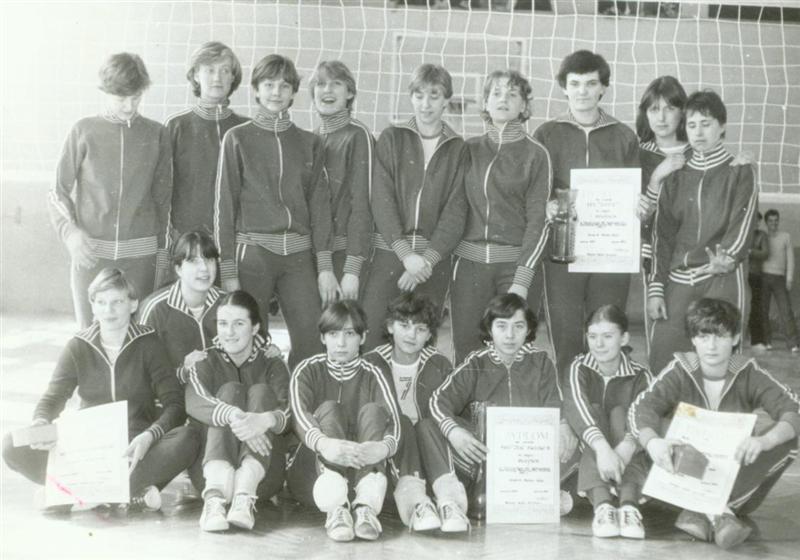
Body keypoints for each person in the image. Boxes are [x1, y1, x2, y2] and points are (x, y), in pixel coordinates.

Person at [2, 268, 197, 512]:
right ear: (92, 306)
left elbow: (175, 404)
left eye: (117, 302)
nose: (109, 310)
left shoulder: (149, 343)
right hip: (87, 449)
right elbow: (53, 398)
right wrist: (41, 424)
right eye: (101, 302)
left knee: (188, 438)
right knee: (11, 445)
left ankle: (72, 493)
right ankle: (127, 493)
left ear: (133, 304)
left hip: (134, 449)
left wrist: (149, 436)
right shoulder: (78, 346)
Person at [629, 298, 799, 549]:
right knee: (656, 429)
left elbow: (793, 408)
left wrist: (764, 441)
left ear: (735, 338)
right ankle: (720, 514)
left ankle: (703, 511)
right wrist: (653, 443)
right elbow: (641, 408)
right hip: (685, 478)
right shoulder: (681, 370)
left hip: (735, 480)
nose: (711, 346)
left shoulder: (747, 372)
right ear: (693, 339)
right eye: (704, 336)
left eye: (720, 336)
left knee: (789, 435)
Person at [417, 294, 579, 530]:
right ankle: (452, 501)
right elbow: (437, 401)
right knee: (427, 427)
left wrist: (564, 424)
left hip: (529, 462)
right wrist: (455, 432)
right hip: (483, 461)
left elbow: (555, 405)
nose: (510, 335)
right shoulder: (476, 362)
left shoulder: (541, 362)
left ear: (529, 329)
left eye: (518, 326)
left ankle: (539, 496)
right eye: (502, 326)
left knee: (578, 430)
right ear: (490, 329)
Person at [214, 54, 334, 369]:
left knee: (311, 340)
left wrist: (324, 266)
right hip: (253, 254)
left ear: (293, 92)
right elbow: (224, 207)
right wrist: (229, 271)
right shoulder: (237, 138)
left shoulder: (309, 142)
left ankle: (299, 398)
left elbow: (320, 207)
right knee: (252, 342)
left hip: (298, 257)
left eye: (284, 86)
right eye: (268, 85)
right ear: (256, 89)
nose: (276, 92)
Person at [533, 50, 639, 379]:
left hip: (611, 253)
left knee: (606, 331)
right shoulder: (546, 134)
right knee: (565, 334)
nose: (582, 91)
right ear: (563, 87)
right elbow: (536, 190)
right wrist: (546, 205)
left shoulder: (624, 136)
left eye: (591, 84)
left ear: (603, 88)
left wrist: (638, 206)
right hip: (563, 252)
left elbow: (635, 193)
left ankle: (605, 395)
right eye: (575, 83)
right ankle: (570, 398)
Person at [48, 52, 172, 328]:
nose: (129, 106)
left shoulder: (157, 134)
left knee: (139, 337)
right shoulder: (83, 130)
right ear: (105, 92)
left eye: (136, 98)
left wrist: (163, 255)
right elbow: (57, 191)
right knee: (90, 337)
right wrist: (71, 233)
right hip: (91, 255)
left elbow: (165, 201)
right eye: (120, 99)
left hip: (142, 257)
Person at [647, 90, 758, 374]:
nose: (698, 132)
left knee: (721, 367)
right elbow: (662, 237)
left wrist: (728, 257)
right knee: (663, 363)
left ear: (722, 127)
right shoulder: (675, 177)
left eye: (706, 124)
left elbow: (742, 224)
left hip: (721, 278)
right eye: (692, 125)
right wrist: (656, 287)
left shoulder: (740, 171)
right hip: (678, 279)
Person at [361, 63, 468, 351]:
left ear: (446, 100)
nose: (426, 104)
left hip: (433, 261)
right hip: (390, 253)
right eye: (419, 95)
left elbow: (456, 211)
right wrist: (405, 254)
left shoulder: (458, 148)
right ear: (410, 97)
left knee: (422, 340)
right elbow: (381, 199)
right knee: (374, 335)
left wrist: (427, 260)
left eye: (434, 95)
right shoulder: (391, 138)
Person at [450, 69, 551, 363]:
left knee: (514, 354)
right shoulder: (469, 149)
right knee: (467, 353)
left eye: (512, 94)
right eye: (496, 93)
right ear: (485, 102)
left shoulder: (536, 154)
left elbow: (538, 220)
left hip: (514, 269)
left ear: (524, 106)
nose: (503, 99)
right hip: (469, 269)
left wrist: (522, 279)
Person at [286, 301, 401, 542]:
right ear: (322, 337)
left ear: (362, 337)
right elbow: (298, 415)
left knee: (374, 411)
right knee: (330, 409)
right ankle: (336, 510)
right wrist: (324, 444)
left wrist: (382, 448)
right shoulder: (306, 370)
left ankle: (365, 508)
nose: (341, 343)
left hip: (364, 473)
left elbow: (395, 421)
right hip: (314, 478)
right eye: (333, 334)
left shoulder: (375, 373)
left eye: (349, 334)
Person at [185, 290, 291, 532]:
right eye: (223, 324)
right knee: (230, 390)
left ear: (255, 328)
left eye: (239, 324)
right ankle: (214, 501)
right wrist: (235, 417)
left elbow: (290, 409)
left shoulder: (272, 362)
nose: (229, 332)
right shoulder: (206, 360)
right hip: (210, 476)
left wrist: (265, 420)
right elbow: (194, 400)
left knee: (261, 392)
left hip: (261, 480)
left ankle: (244, 495)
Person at [363, 292, 452, 531]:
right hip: (390, 448)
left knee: (425, 425)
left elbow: (449, 413)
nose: (411, 335)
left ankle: (448, 503)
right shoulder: (371, 362)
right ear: (390, 327)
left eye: (420, 329)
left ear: (430, 334)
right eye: (404, 325)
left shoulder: (439, 364)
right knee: (401, 421)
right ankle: (417, 504)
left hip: (426, 449)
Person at [563, 305, 652, 539]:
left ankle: (628, 507)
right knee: (593, 411)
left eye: (607, 336)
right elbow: (577, 409)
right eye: (592, 336)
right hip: (588, 453)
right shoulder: (578, 368)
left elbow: (645, 415)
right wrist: (603, 449)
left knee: (623, 415)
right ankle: (603, 507)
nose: (599, 344)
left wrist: (626, 447)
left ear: (624, 338)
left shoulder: (641, 375)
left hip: (628, 457)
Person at [165, 42, 248, 243]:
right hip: (189, 239)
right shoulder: (177, 126)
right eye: (210, 70)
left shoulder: (246, 128)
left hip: (238, 239)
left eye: (225, 70)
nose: (217, 78)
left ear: (233, 77)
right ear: (196, 75)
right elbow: (163, 188)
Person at [310, 60, 374, 300]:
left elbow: (362, 204)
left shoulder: (358, 135)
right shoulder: (312, 138)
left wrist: (352, 270)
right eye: (320, 84)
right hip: (319, 257)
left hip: (345, 257)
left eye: (336, 84)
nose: (327, 90)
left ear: (350, 93)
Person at [761, 209, 800, 352]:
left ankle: (793, 343)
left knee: (786, 310)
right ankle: (766, 341)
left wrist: (789, 278)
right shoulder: (762, 237)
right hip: (763, 277)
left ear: (778, 221)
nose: (774, 223)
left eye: (776, 220)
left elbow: (791, 259)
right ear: (766, 222)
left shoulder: (786, 236)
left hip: (779, 279)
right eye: (771, 221)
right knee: (763, 310)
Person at [747, 212, 770, 351]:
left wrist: (750, 251)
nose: (755, 224)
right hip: (740, 275)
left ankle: (757, 340)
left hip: (755, 275)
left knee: (755, 307)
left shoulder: (762, 235)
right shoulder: (741, 234)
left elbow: (765, 253)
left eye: (758, 222)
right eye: (754, 221)